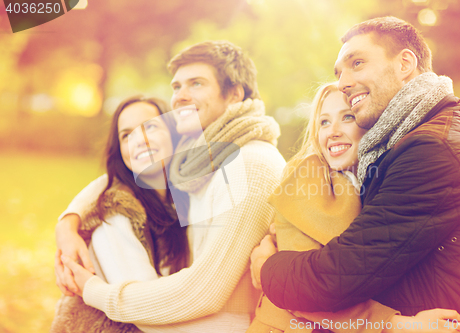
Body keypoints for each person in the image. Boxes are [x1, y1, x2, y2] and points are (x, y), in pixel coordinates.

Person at [252, 16, 460, 326]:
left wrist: (266, 268)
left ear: (404, 64)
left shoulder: (430, 149)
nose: (343, 82)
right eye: (339, 72)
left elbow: (336, 277)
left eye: (357, 63)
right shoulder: (424, 136)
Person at [54, 40, 286, 332]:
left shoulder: (248, 165)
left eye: (196, 83)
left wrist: (94, 291)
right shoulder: (206, 162)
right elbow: (124, 173)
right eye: (176, 87)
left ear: (235, 94)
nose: (180, 97)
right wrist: (67, 223)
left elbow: (204, 291)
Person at [51, 96, 193, 332]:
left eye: (151, 126)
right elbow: (148, 310)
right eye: (127, 135)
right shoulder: (116, 215)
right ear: (121, 152)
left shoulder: (183, 201)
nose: (140, 141)